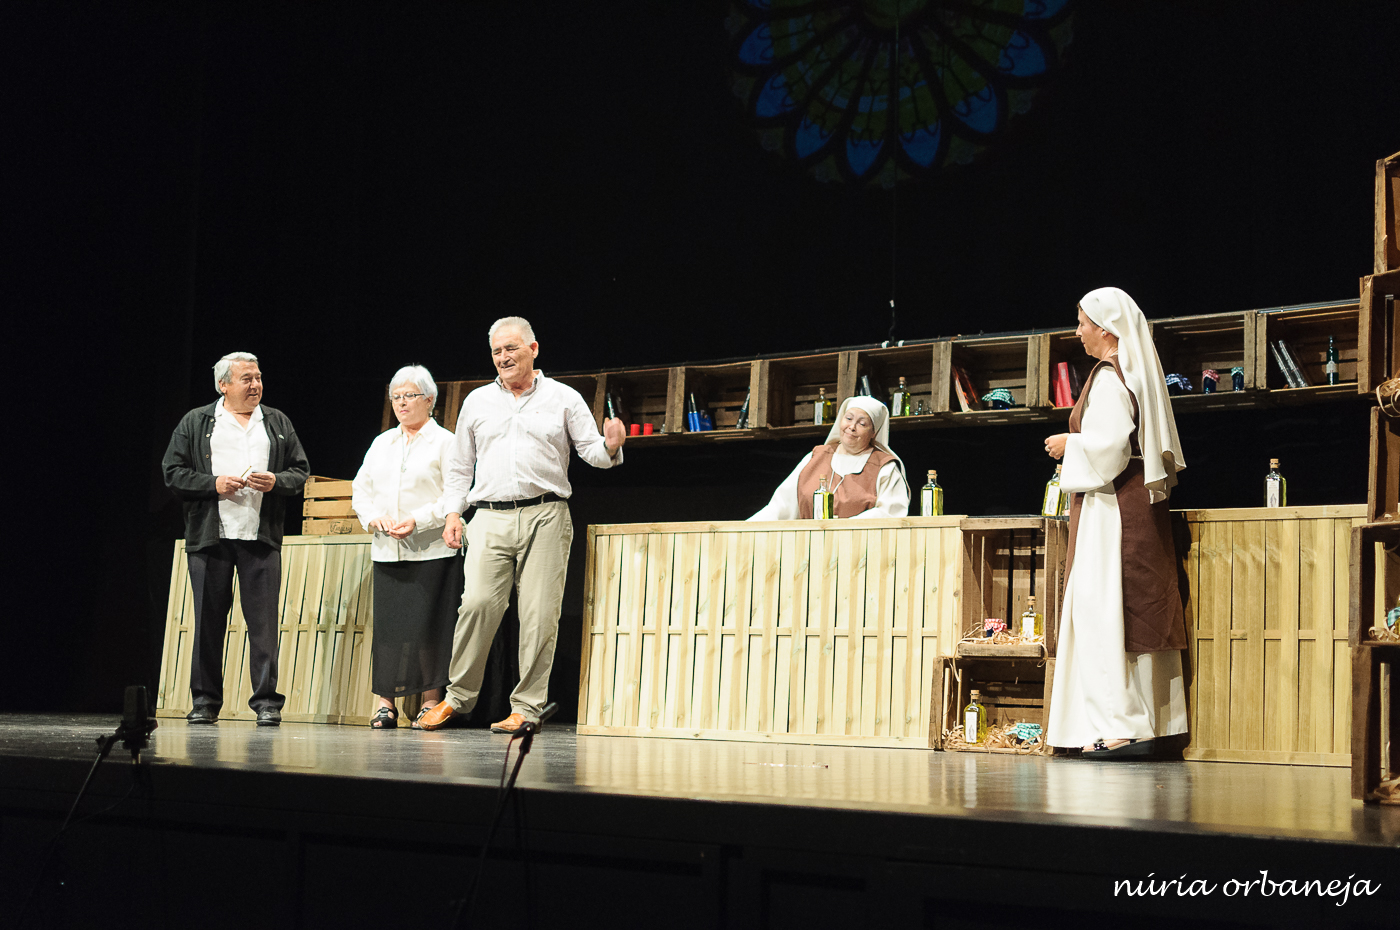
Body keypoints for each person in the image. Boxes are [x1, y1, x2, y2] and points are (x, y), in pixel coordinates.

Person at [416, 317, 626, 733]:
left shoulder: (563, 397)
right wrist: (453, 513)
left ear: (533, 349)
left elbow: (592, 452)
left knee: (538, 614)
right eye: (496, 351)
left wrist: (612, 446)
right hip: (489, 515)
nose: (503, 357)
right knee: (477, 604)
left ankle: (527, 707)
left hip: (545, 514)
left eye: (511, 348)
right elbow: (459, 467)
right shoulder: (477, 401)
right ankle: (457, 698)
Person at [1043, 287, 1189, 758]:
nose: (1078, 331)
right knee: (1133, 608)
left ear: (1106, 329)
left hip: (1113, 509)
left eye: (1083, 322)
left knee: (1102, 610)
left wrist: (1070, 444)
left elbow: (1108, 449)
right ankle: (1154, 723)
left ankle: (1118, 725)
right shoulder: (1135, 369)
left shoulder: (1110, 375)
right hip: (1135, 506)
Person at [162, 351, 309, 727]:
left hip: (260, 537)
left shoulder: (276, 422)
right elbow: (172, 472)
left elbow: (300, 470)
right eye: (247, 378)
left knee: (264, 625)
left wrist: (276, 481)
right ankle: (205, 701)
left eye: (258, 377)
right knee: (208, 623)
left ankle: (267, 702)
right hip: (210, 537)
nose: (255, 384)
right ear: (223, 385)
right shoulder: (197, 421)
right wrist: (213, 484)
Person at [351, 365, 462, 730]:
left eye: (409, 396)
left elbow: (456, 494)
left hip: (431, 550)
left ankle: (431, 701)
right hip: (387, 551)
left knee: (430, 629)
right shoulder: (382, 442)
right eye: (395, 397)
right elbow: (360, 490)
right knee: (390, 631)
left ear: (429, 400)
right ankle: (385, 703)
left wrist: (419, 519)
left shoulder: (446, 442)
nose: (401, 403)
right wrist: (373, 518)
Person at [748, 395, 909, 520]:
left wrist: (842, 528)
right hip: (809, 548)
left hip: (858, 550)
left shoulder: (884, 467)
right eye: (849, 418)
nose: (852, 427)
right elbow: (780, 507)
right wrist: (743, 528)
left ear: (874, 432)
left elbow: (890, 514)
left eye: (862, 424)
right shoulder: (815, 458)